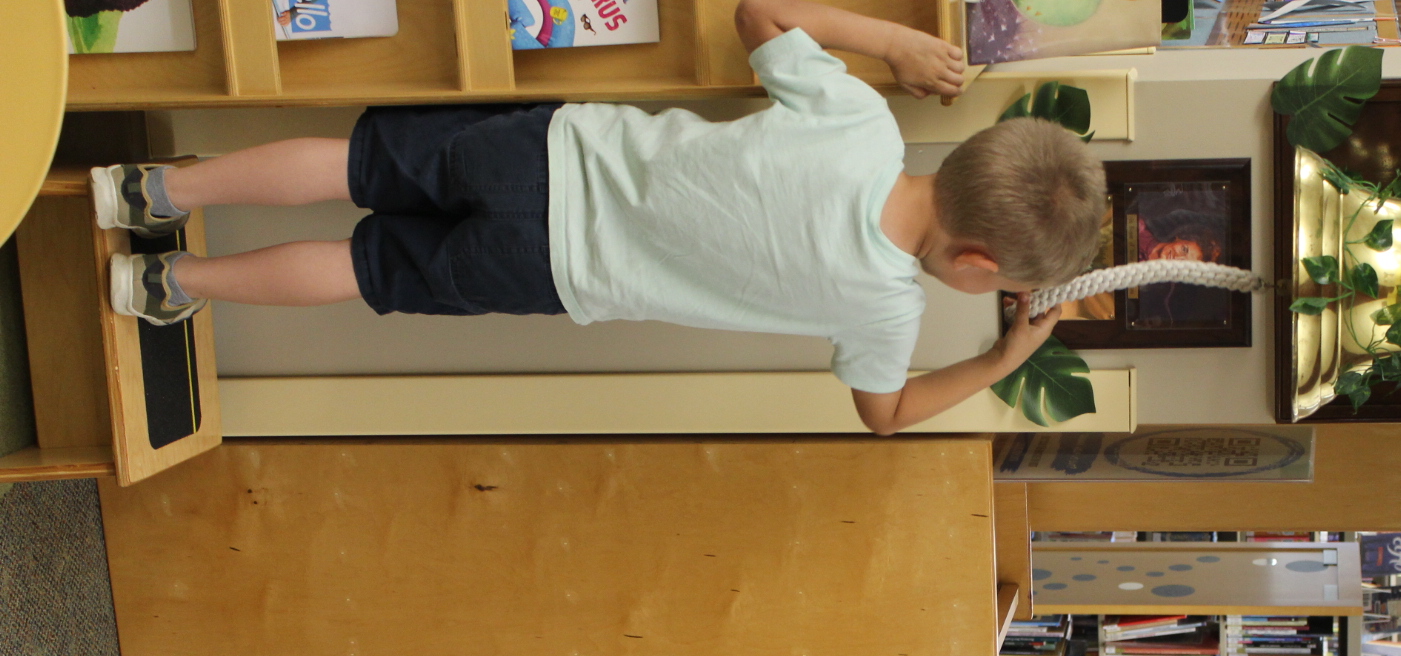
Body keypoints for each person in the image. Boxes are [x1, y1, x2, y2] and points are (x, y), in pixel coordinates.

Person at [90, 0, 1109, 436]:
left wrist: (893, 41)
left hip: (553, 148)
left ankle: (155, 191)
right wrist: (1000, 361)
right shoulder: (887, 313)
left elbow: (760, 13)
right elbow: (885, 417)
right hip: (557, 270)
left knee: (353, 162)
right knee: (368, 270)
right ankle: (169, 284)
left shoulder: (861, 123)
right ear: (976, 264)